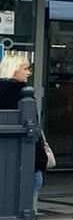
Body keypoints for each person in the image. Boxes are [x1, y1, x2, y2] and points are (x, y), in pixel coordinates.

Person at [0, 52, 51, 210]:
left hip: (6, 160)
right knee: (26, 208)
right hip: (26, 161)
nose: (29, 72)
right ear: (13, 69)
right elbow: (32, 130)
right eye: (25, 68)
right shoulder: (22, 95)